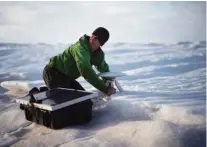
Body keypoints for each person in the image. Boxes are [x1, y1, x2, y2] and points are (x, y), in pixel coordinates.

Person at [42, 27, 116, 96]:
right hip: (53, 73)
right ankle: (39, 93)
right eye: (93, 35)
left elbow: (104, 69)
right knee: (69, 104)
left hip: (67, 78)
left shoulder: (98, 54)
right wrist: (104, 88)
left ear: (101, 44)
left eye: (97, 38)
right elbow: (85, 70)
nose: (93, 38)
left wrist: (108, 82)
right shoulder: (80, 48)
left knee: (85, 101)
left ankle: (47, 91)